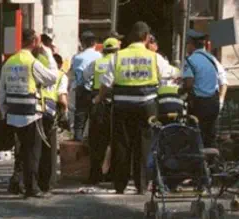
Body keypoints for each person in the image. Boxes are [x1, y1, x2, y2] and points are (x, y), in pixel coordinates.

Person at [95, 21, 175, 194]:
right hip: (147, 106)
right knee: (144, 144)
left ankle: (120, 184)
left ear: (131, 37)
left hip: (122, 107)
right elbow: (170, 74)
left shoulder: (118, 56)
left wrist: (99, 98)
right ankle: (141, 184)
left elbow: (106, 83)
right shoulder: (154, 57)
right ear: (146, 38)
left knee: (121, 143)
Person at [0, 28, 58, 198]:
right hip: (31, 115)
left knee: (22, 152)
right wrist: (47, 53)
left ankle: (21, 184)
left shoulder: (9, 62)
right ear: (34, 42)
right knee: (33, 153)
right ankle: (32, 188)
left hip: (13, 114)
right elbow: (52, 77)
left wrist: (5, 113)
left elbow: (2, 91)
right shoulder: (31, 62)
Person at [83, 37, 120, 184]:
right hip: (115, 103)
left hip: (98, 103)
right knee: (116, 140)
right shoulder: (118, 62)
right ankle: (112, 174)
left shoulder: (96, 62)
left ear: (103, 50)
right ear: (117, 50)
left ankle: (95, 175)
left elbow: (85, 77)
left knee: (97, 141)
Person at [183, 29, 227, 150]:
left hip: (199, 105)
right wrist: (221, 100)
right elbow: (224, 82)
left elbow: (189, 84)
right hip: (213, 103)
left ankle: (199, 165)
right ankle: (212, 164)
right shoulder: (213, 60)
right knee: (210, 138)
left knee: (196, 138)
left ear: (191, 45)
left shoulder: (190, 61)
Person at [37, 52, 69, 193]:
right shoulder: (61, 76)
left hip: (35, 111)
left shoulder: (37, 73)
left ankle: (32, 181)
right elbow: (62, 99)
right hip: (50, 113)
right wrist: (65, 115)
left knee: (33, 148)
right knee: (49, 149)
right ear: (59, 65)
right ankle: (47, 183)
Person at [69, 30, 100, 141]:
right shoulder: (99, 56)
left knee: (80, 120)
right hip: (96, 90)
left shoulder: (77, 58)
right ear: (94, 43)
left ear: (83, 43)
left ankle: (77, 144)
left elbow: (74, 75)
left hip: (81, 90)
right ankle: (92, 145)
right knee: (94, 120)